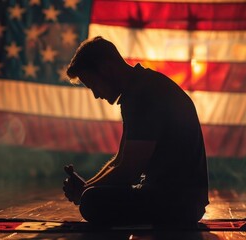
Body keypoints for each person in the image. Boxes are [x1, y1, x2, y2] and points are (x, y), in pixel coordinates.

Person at [63, 36, 209, 226]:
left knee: (92, 202)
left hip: (178, 202)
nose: (96, 95)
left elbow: (128, 171)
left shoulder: (143, 95)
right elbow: (120, 160)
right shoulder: (140, 87)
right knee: (91, 196)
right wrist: (87, 187)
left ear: (107, 69)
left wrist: (85, 192)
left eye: (93, 85)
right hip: (182, 200)